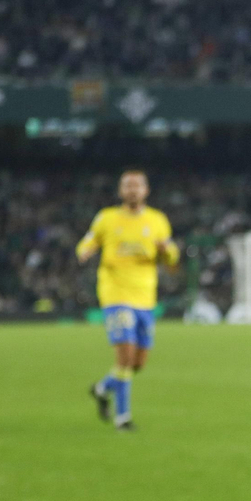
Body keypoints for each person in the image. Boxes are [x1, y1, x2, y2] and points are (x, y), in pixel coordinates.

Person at [77, 170, 178, 432]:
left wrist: (168, 252)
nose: (132, 190)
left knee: (138, 363)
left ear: (146, 190)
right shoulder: (107, 218)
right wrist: (85, 250)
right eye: (127, 186)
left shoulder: (157, 220)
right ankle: (123, 418)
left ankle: (102, 388)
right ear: (121, 191)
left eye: (137, 186)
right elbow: (88, 241)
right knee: (125, 357)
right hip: (116, 295)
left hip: (145, 298)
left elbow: (172, 258)